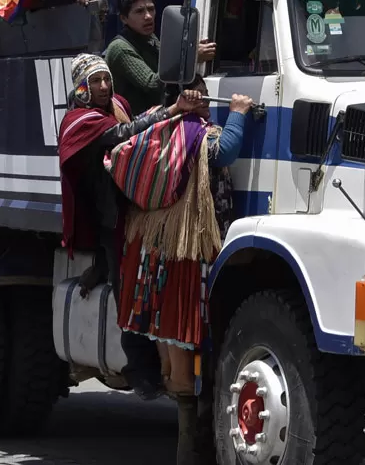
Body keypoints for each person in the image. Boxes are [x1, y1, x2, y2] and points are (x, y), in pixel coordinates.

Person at [117, 80, 252, 463]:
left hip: (153, 247)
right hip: (187, 252)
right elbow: (224, 152)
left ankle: (187, 435)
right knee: (185, 336)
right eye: (203, 95)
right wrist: (238, 114)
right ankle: (189, 449)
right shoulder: (195, 133)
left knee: (169, 336)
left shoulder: (152, 124)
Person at [56, 54, 202, 397]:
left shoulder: (117, 104)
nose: (105, 87)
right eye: (96, 82)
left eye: (107, 80)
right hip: (112, 217)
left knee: (148, 285)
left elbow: (137, 123)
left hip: (137, 212)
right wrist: (169, 113)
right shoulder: (80, 121)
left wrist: (165, 111)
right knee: (128, 293)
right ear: (81, 87)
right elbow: (122, 135)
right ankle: (141, 373)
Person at [104, 0, 216, 115]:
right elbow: (152, 84)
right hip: (135, 124)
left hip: (157, 117)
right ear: (124, 18)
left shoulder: (149, 38)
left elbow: (166, 63)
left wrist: (190, 50)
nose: (148, 16)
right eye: (139, 11)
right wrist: (190, 58)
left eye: (151, 9)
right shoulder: (120, 48)